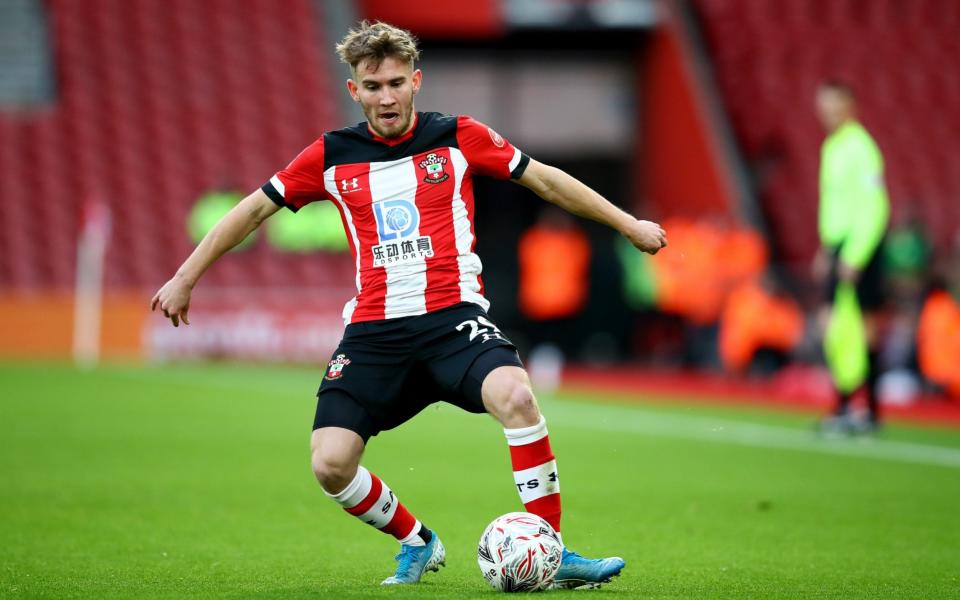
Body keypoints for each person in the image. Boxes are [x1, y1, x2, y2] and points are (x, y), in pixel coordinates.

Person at [151, 21, 667, 588]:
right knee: (329, 464)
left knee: (516, 396)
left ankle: (551, 548)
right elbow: (251, 211)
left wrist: (627, 223)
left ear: (416, 81)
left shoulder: (459, 136)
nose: (387, 96)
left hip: (453, 319)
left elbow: (545, 182)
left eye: (397, 82)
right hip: (375, 333)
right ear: (355, 91)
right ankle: (416, 541)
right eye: (373, 86)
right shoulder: (329, 155)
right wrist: (184, 276)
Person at [812, 80, 889, 433]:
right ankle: (845, 405)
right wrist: (826, 249)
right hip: (838, 245)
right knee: (833, 326)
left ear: (849, 106)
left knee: (865, 327)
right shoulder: (833, 146)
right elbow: (835, 205)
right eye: (823, 105)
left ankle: (869, 409)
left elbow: (874, 206)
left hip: (861, 246)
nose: (827, 112)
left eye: (834, 105)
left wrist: (855, 254)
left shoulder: (862, 148)